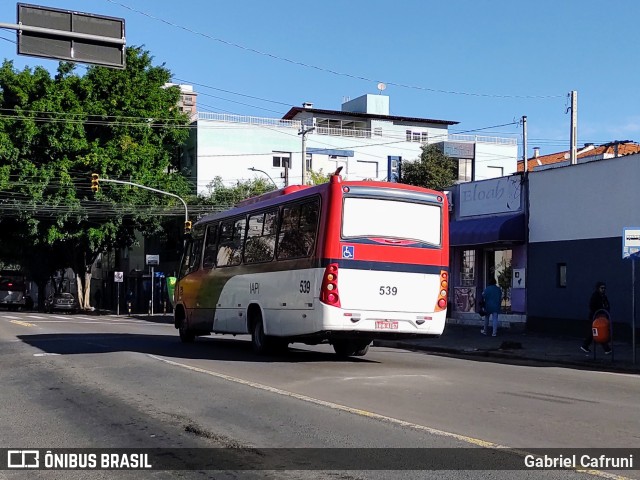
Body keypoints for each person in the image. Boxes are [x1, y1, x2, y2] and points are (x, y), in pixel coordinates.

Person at [581, 281, 611, 354]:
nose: (603, 289)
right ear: (598, 288)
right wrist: (597, 312)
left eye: (604, 288)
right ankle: (606, 348)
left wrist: (606, 311)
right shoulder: (595, 296)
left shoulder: (604, 296)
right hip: (595, 316)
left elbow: (607, 305)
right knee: (599, 331)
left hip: (602, 316)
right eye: (602, 288)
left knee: (595, 332)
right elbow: (592, 306)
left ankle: (585, 345)